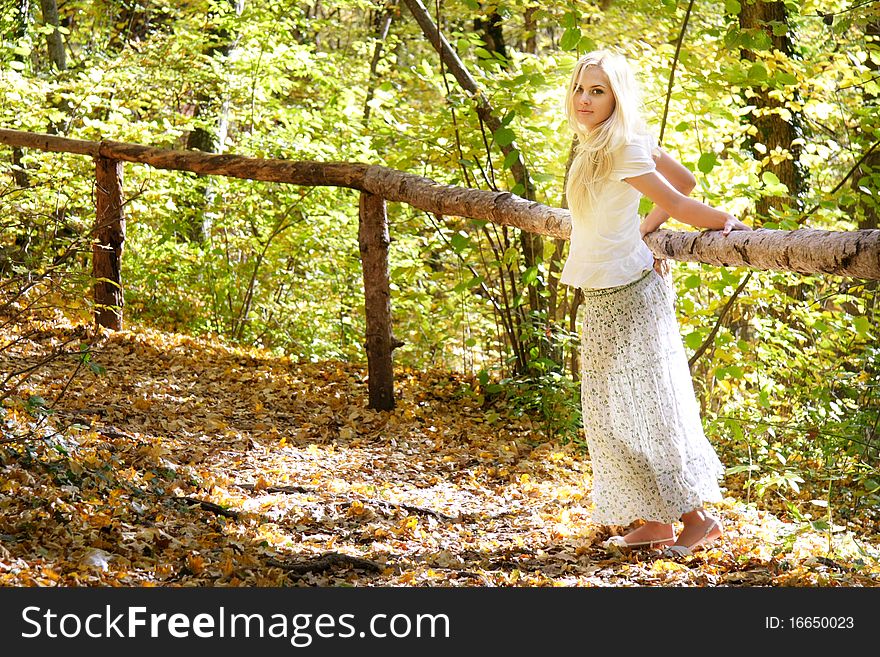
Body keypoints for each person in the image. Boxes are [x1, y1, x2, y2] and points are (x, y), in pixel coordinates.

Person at [559, 50, 751, 557]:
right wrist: (645, 228)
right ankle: (655, 521)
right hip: (603, 290)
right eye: (580, 88)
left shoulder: (620, 147)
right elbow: (681, 181)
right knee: (611, 413)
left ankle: (697, 518)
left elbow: (684, 200)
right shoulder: (610, 141)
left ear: (616, 96)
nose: (585, 99)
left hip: (627, 293)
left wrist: (720, 220)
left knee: (649, 408)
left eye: (597, 90)